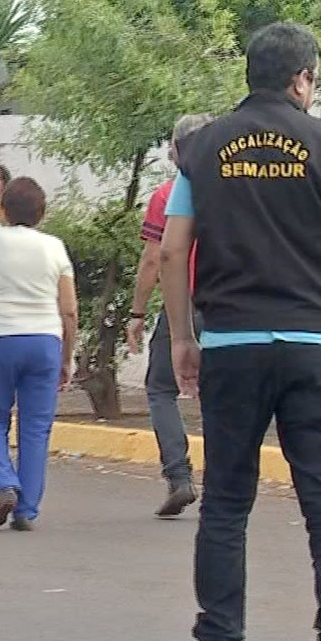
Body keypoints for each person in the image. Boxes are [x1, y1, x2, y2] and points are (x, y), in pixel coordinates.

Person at [161, 22, 321, 641]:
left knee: (227, 500)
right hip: (316, 343)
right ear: (299, 80)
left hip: (231, 343)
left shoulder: (202, 149)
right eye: (313, 79)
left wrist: (181, 337)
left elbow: (173, 250)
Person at [0, 177, 78, 530]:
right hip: (43, 339)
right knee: (35, 427)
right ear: (42, 212)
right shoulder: (55, 248)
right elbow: (69, 309)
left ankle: (5, 483)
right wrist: (66, 356)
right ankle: (26, 509)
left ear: (4, 208)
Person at [125, 114, 214, 517]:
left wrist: (137, 311)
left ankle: (179, 477)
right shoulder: (235, 190)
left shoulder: (167, 194)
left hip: (183, 306)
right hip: (229, 306)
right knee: (222, 396)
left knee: (161, 389)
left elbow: (153, 260)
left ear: (177, 151)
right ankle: (224, 481)